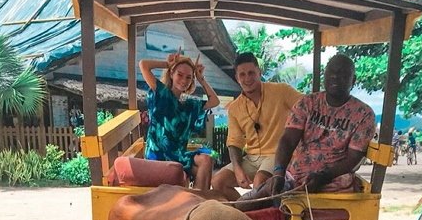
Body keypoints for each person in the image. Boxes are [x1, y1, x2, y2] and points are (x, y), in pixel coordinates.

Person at [237, 54, 375, 207]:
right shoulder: (308, 103)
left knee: (268, 207)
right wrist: (278, 172)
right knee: (247, 202)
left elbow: (353, 158)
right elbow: (288, 140)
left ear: (353, 80)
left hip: (332, 181)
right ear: (325, 75)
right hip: (294, 176)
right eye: (332, 72)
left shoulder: (363, 114)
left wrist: (324, 176)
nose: (335, 77)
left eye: (343, 73)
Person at [211, 52, 302, 200]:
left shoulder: (281, 91)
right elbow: (234, 142)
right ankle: (244, 214)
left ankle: (255, 215)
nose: (247, 78)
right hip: (252, 158)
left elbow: (307, 107)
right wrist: (237, 169)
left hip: (279, 154)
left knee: (260, 181)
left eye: (251, 73)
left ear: (259, 72)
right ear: (237, 78)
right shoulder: (234, 108)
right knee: (217, 181)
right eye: (242, 74)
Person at [139, 52, 220, 190]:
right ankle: (198, 200)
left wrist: (201, 79)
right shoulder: (161, 92)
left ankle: (198, 202)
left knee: (208, 158)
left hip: (181, 152)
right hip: (159, 152)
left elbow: (215, 101)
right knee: (206, 159)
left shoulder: (189, 105)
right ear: (171, 74)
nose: (184, 80)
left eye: (189, 77)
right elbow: (143, 65)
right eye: (180, 74)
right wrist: (168, 64)